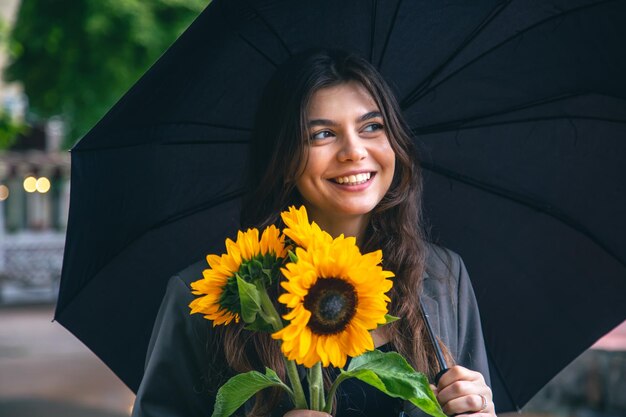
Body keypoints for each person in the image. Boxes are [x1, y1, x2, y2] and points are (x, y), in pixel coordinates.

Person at [131, 49, 496, 417]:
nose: (354, 151)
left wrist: (479, 412)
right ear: (285, 161)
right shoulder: (208, 300)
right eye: (322, 134)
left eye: (372, 126)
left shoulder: (443, 279)